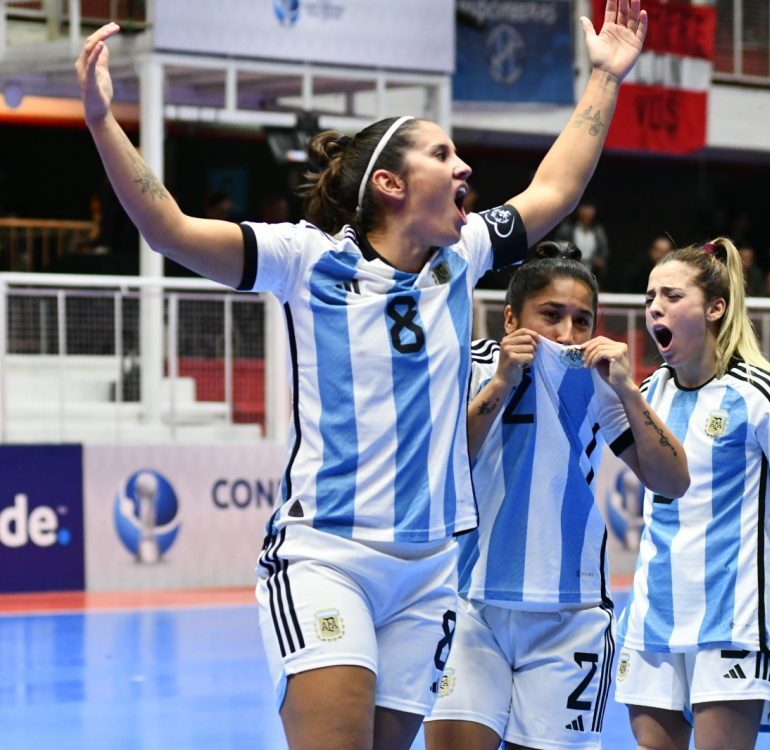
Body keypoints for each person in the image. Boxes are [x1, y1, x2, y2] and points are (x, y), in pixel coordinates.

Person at [75, 4, 648, 748]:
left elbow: (555, 188)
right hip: (328, 556)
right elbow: (170, 230)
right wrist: (100, 122)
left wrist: (604, 76)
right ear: (388, 183)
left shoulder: (459, 258)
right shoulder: (306, 258)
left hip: (430, 569)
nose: (464, 167)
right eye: (442, 155)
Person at [424, 241, 689, 750]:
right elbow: (443, 467)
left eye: (582, 320)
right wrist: (502, 381)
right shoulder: (472, 367)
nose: (567, 334)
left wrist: (631, 392)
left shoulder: (602, 383)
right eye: (551, 315)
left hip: (572, 616)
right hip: (468, 604)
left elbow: (673, 481)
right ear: (509, 317)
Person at [614, 238, 770, 750]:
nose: (656, 306)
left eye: (672, 296)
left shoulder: (764, 392)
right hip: (653, 609)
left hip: (735, 614)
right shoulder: (649, 390)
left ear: (715, 307)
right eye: (651, 296)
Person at [556, 200, 610, 287]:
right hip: (570, 269)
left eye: (591, 208)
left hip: (591, 271)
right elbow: (559, 248)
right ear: (578, 210)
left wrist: (599, 260)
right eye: (585, 208)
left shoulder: (598, 231)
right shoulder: (567, 229)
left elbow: (603, 251)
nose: (588, 211)